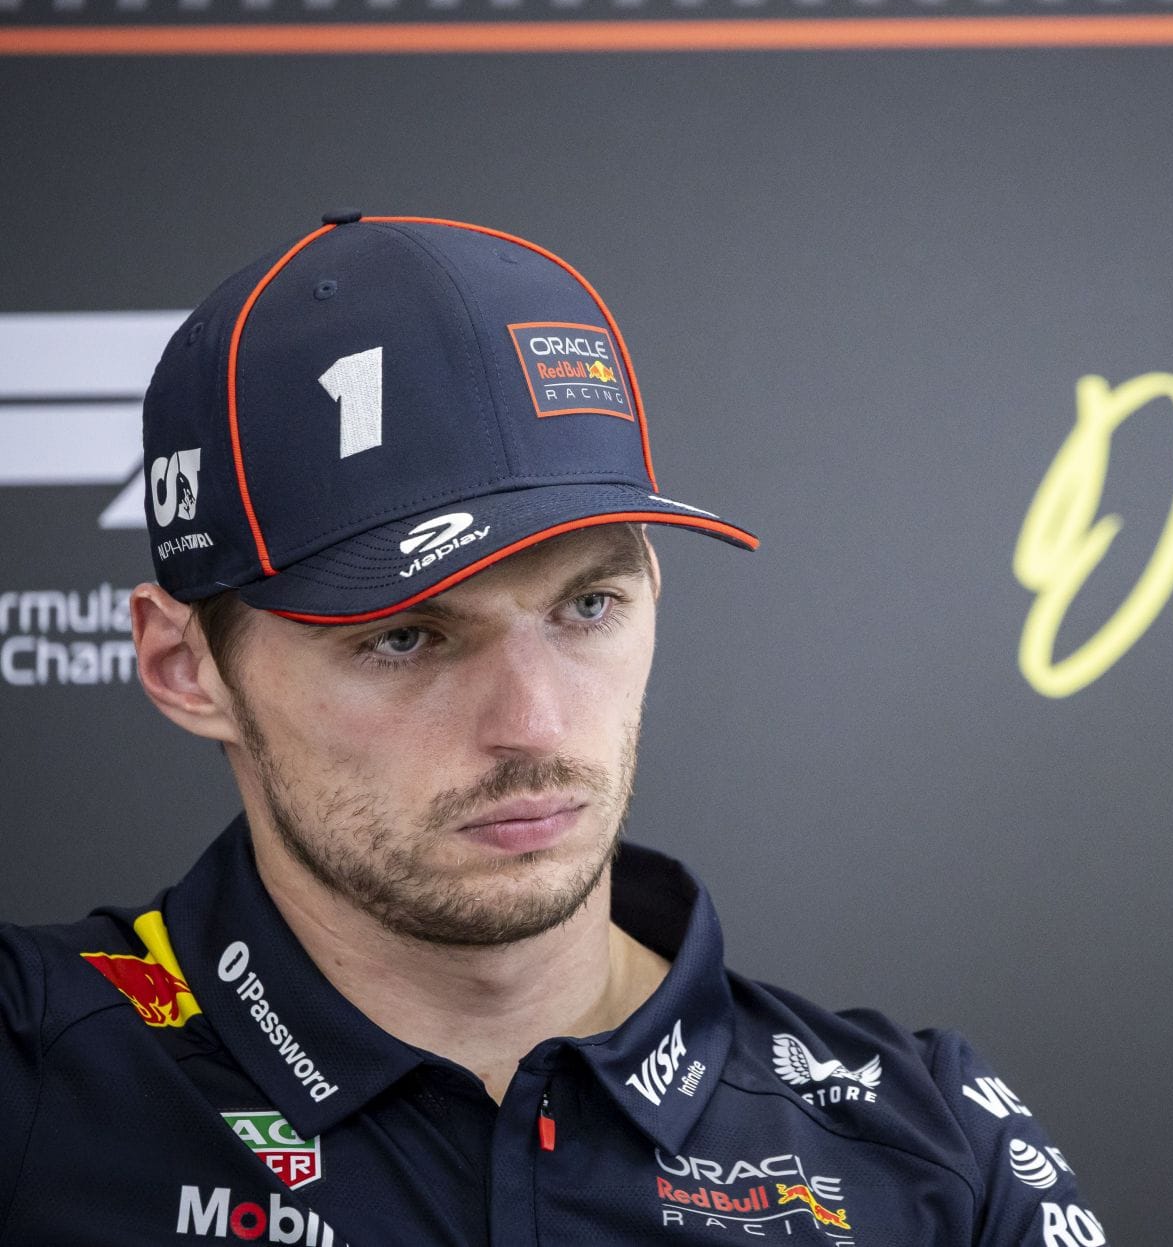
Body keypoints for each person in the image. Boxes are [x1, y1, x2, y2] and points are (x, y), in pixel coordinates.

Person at [0, 213, 1101, 1245]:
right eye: (406, 638)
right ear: (184, 666)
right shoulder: (34, 1068)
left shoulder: (933, 1147)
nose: (532, 724)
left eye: (587, 608)